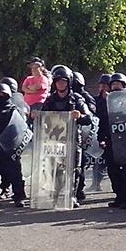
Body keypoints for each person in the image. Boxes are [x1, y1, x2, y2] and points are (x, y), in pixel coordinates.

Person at [35, 65, 93, 205]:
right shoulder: (49, 100)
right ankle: (54, 195)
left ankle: (71, 196)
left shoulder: (76, 99)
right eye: (58, 81)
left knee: (74, 170)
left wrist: (79, 115)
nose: (61, 84)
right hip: (55, 140)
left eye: (64, 81)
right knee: (54, 169)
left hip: (73, 139)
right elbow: (41, 118)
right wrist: (36, 115)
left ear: (69, 82)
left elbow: (89, 118)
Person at [100, 72, 126, 209]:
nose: (116, 87)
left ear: (124, 85)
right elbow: (103, 120)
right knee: (113, 171)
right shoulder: (106, 101)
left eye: (118, 84)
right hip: (112, 141)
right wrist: (101, 138)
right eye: (113, 84)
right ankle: (119, 196)